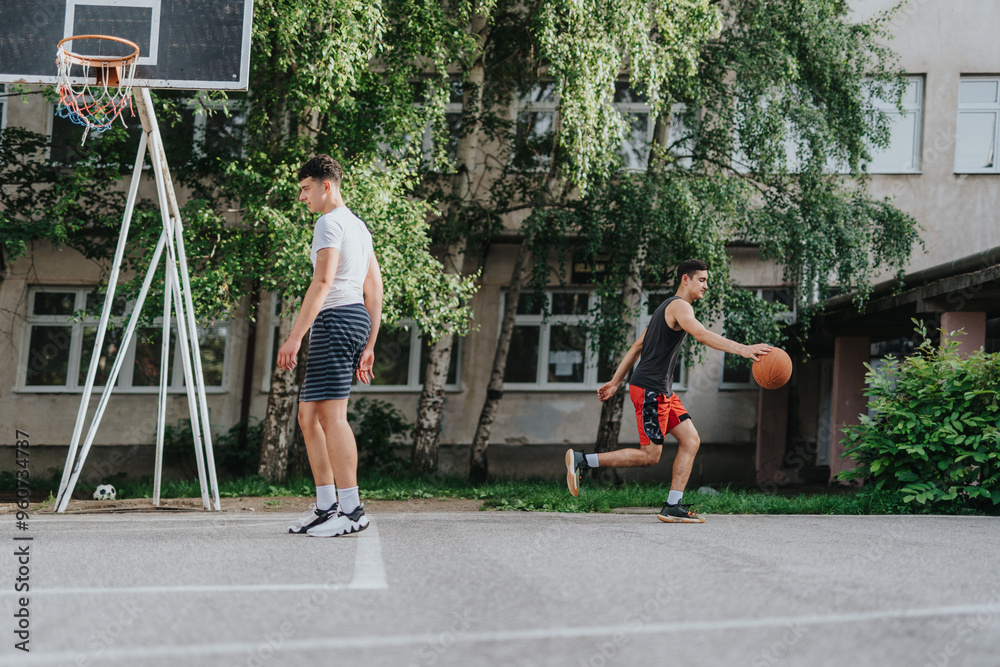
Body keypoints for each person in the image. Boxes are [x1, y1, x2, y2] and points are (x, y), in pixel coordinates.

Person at [565, 259, 771, 523]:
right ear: (685, 279)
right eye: (702, 280)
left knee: (691, 440)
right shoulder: (680, 306)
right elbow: (701, 334)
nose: (706, 286)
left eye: (706, 280)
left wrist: (615, 381)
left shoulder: (665, 308)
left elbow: (637, 346)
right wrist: (743, 349)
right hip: (652, 389)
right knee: (650, 456)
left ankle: (673, 506)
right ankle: (584, 461)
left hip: (659, 389)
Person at [278, 155, 383, 537]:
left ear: (327, 186)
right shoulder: (358, 226)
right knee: (309, 417)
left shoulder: (329, 223)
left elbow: (322, 283)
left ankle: (352, 510)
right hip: (352, 320)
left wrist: (294, 336)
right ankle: (326, 506)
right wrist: (370, 341)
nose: (302, 197)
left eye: (306, 189)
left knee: (332, 417)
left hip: (336, 319)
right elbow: (375, 288)